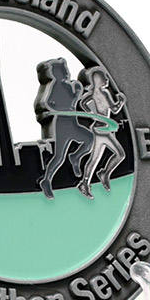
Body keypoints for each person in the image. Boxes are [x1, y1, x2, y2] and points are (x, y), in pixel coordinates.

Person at [34, 58, 94, 200]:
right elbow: (47, 103)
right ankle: (46, 180)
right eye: (63, 71)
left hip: (72, 123)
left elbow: (73, 102)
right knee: (59, 157)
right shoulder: (55, 87)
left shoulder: (68, 86)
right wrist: (57, 110)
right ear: (56, 73)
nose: (66, 73)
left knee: (89, 138)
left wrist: (78, 93)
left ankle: (75, 157)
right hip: (61, 125)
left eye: (66, 71)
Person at [76, 67, 127, 199]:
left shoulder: (92, 95)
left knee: (94, 159)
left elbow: (83, 103)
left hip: (99, 128)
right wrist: (121, 101)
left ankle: (85, 183)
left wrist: (92, 113)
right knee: (120, 154)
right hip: (103, 130)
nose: (107, 79)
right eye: (104, 77)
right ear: (98, 80)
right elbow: (115, 109)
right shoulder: (104, 93)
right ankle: (104, 173)